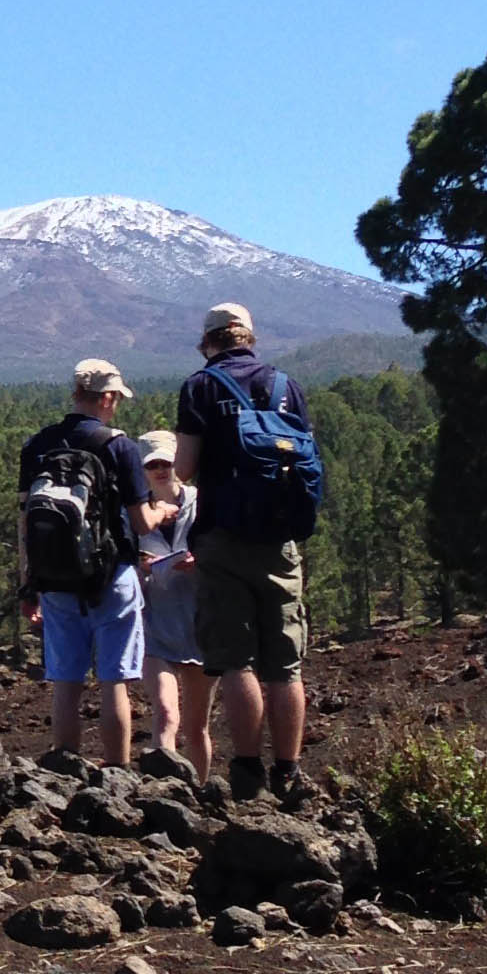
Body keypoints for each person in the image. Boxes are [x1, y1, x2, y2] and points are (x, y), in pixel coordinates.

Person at [173, 303, 314, 801]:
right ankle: (290, 770)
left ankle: (249, 770)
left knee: (236, 662)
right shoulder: (285, 385)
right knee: (285, 664)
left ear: (209, 342)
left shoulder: (201, 387)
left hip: (222, 538)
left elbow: (185, 469)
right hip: (279, 540)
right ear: (250, 338)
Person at [18, 359, 182, 768]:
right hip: (113, 576)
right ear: (107, 398)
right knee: (114, 681)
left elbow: (25, 524)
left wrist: (28, 585)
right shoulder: (118, 446)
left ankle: (64, 768)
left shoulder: (37, 446)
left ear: (76, 394)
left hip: (55, 580)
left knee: (66, 682)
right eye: (116, 399)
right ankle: (116, 773)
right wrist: (163, 511)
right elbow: (142, 523)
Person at [132, 429, 211, 777]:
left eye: (166, 462)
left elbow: (221, 552)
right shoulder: (134, 514)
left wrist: (202, 563)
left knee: (197, 728)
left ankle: (201, 794)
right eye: (153, 465)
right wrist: (139, 566)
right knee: (165, 714)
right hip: (154, 627)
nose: (161, 470)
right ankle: (164, 793)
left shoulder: (202, 503)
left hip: (201, 627)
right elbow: (119, 568)